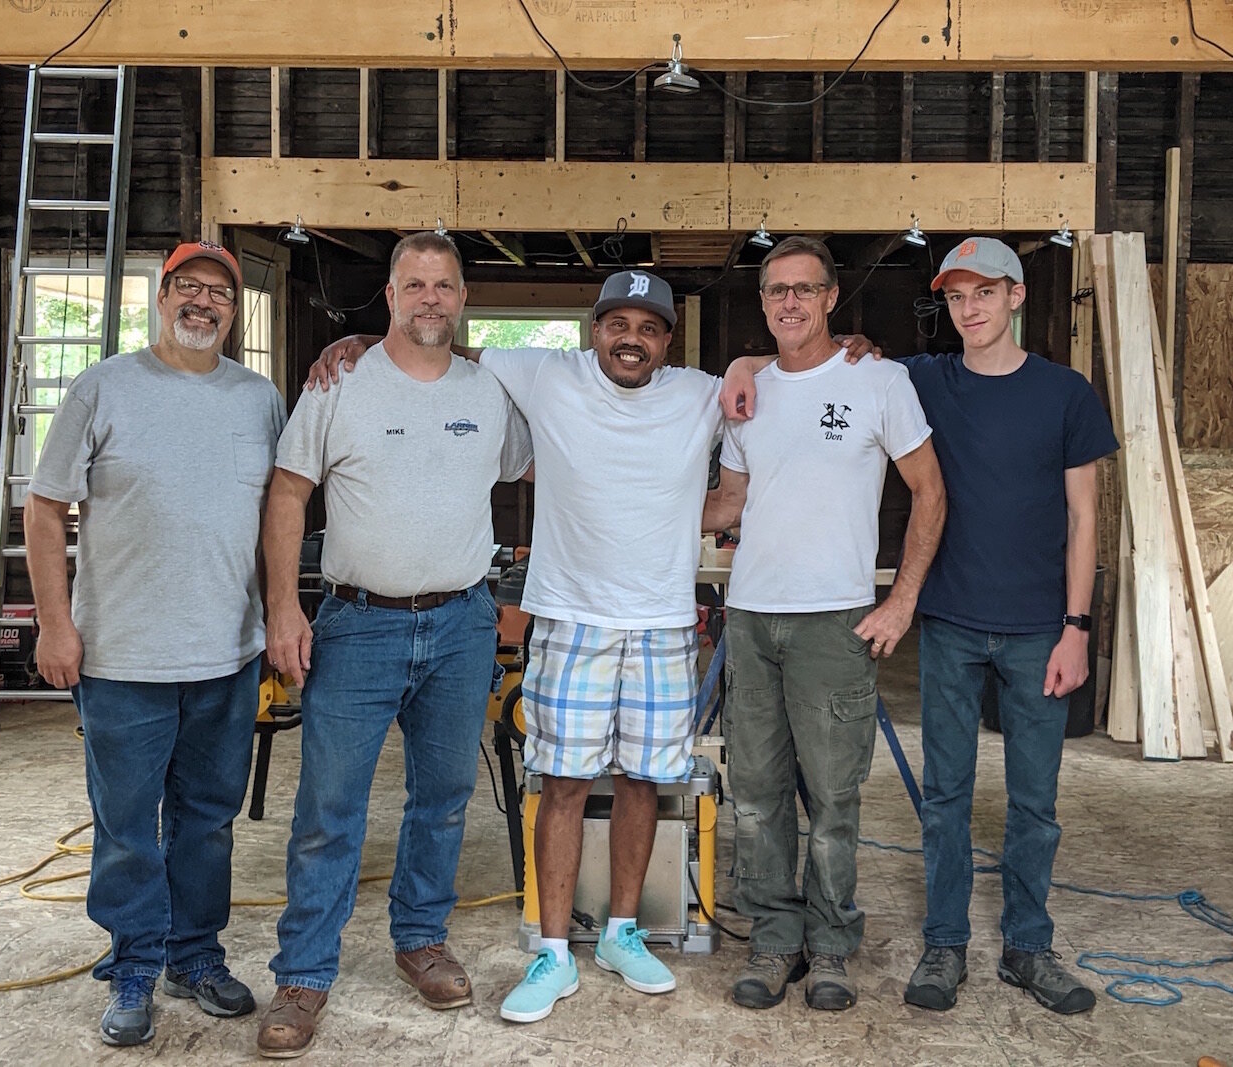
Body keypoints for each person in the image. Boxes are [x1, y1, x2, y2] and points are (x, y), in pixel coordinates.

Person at [308, 272, 880, 1024]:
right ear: (593, 329)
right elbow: (442, 344)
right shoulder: (545, 372)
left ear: (668, 342)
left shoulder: (701, 392)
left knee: (646, 780)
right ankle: (552, 950)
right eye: (617, 323)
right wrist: (362, 344)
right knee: (565, 782)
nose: (630, 338)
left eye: (648, 327)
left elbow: (789, 375)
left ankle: (621, 932)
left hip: (662, 621)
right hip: (572, 618)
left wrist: (828, 349)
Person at [726, 235, 1115, 1016]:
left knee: (1034, 801)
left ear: (1015, 297)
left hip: (1039, 625)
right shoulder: (919, 376)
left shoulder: (1064, 393)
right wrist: (740, 365)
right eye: (957, 296)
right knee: (943, 796)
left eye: (985, 293)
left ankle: (1028, 947)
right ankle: (944, 943)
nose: (970, 309)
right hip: (952, 622)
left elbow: (1083, 516)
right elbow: (818, 365)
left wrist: (1078, 625)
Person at [255, 232, 532, 1059]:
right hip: (357, 620)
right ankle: (304, 972)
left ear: (462, 298)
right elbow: (287, 495)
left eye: (444, 285)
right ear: (389, 295)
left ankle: (420, 938)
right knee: (329, 810)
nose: (430, 298)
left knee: (443, 796)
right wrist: (281, 607)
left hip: (461, 622)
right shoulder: (339, 383)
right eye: (414, 284)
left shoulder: (488, 392)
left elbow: (533, 472)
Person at [25, 240, 283, 1046]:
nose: (203, 303)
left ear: (233, 312)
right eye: (189, 288)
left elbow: (280, 512)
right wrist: (55, 624)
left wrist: (277, 616)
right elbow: (43, 509)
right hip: (121, 656)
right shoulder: (103, 387)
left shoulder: (258, 398)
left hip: (228, 653)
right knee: (129, 820)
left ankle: (194, 953)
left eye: (220, 293)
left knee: (207, 818)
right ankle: (134, 959)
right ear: (162, 296)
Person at [702, 236, 946, 1012]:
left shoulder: (879, 381)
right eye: (777, 290)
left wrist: (901, 600)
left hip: (836, 620)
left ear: (832, 298)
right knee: (759, 790)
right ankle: (776, 938)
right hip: (751, 616)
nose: (790, 302)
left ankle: (833, 943)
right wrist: (625, 499)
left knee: (835, 797)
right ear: (764, 300)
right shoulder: (749, 392)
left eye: (805, 289)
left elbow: (930, 493)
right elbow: (728, 504)